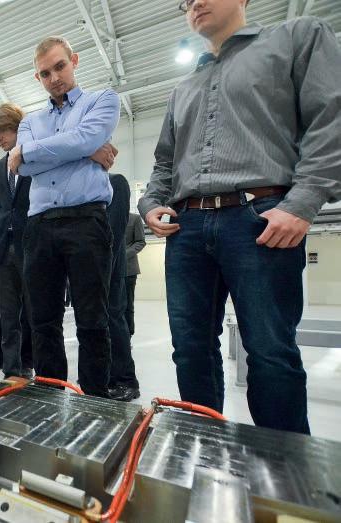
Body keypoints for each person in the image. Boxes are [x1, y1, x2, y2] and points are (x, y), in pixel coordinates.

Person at [138, 0, 341, 434]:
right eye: (185, 1)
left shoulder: (295, 39)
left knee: (270, 351)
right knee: (190, 349)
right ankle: (201, 448)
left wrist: (302, 203)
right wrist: (151, 204)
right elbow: (164, 163)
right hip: (187, 228)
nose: (194, 4)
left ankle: (282, 466)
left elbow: (331, 118)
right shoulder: (183, 88)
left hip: (261, 219)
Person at [9, 36, 120, 397]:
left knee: (92, 319)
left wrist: (33, 152)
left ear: (74, 61)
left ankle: (96, 402)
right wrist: (83, 150)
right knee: (42, 320)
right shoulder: (30, 121)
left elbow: (84, 139)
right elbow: (23, 168)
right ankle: (49, 397)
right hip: (39, 227)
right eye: (45, 73)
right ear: (37, 77)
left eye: (60, 66)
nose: (54, 77)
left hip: (86, 221)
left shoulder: (102, 100)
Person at [0, 102, 34, 379]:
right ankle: (12, 371)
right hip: (2, 250)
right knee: (7, 314)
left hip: (32, 246)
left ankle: (29, 363)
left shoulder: (34, 158)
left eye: (2, 131)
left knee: (33, 313)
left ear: (17, 128)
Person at [107, 174, 140, 401]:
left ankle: (126, 380)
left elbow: (115, 232)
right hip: (87, 267)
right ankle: (104, 375)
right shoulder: (79, 188)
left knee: (114, 318)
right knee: (93, 323)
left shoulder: (115, 183)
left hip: (111, 266)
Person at [124, 213, 145, 336]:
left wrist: (123, 255)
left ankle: (128, 335)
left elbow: (140, 242)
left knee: (127, 305)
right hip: (108, 269)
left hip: (128, 270)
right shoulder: (106, 216)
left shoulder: (134, 218)